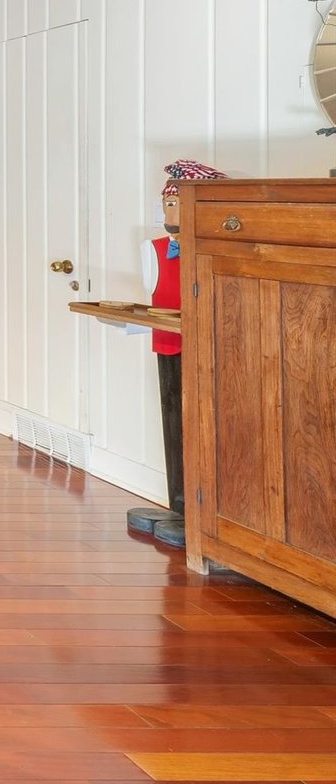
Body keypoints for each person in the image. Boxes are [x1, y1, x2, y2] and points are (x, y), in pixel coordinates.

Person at [135, 159, 225, 541]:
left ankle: (203, 510)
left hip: (210, 346)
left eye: (178, 204)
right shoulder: (153, 248)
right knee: (172, 418)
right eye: (168, 204)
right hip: (168, 340)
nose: (170, 212)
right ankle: (179, 506)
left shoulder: (214, 246)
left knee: (206, 421)